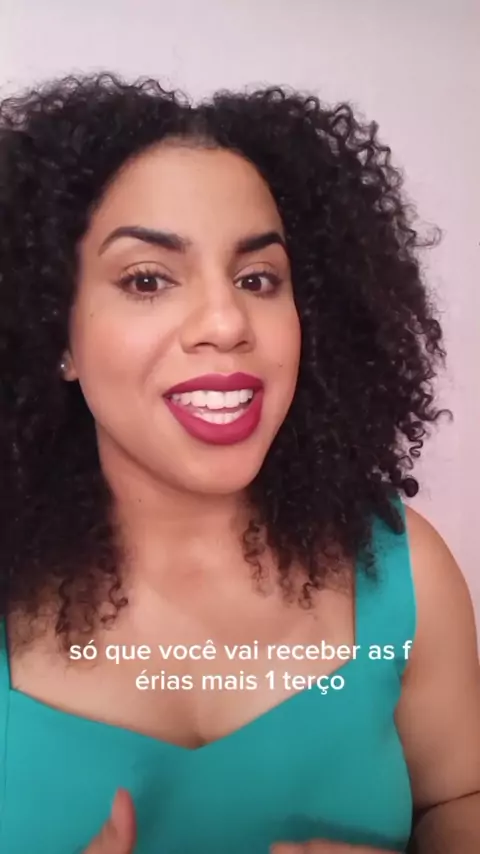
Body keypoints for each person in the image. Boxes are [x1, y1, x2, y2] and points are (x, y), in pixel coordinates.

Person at [0, 73, 478, 854]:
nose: (226, 322)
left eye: (258, 279)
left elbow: (459, 796)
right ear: (56, 335)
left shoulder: (402, 569)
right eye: (148, 280)